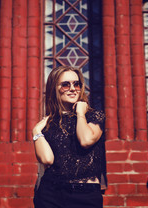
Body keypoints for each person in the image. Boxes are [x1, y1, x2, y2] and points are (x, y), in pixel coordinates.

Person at [33, 66, 107, 208]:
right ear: (55, 88)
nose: (73, 89)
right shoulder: (48, 124)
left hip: (86, 195)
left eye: (76, 84)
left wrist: (80, 113)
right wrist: (36, 131)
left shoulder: (94, 116)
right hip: (51, 194)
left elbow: (86, 140)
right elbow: (47, 160)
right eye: (66, 85)